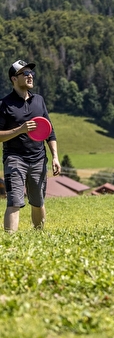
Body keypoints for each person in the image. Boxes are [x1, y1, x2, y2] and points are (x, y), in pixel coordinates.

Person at [0, 59, 61, 232]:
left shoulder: (39, 101)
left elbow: (50, 131)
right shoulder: (4, 104)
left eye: (31, 73)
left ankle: (38, 238)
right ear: (14, 79)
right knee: (14, 202)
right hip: (14, 159)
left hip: (38, 159)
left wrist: (55, 156)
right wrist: (20, 129)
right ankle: (11, 243)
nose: (30, 76)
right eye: (25, 73)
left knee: (38, 201)